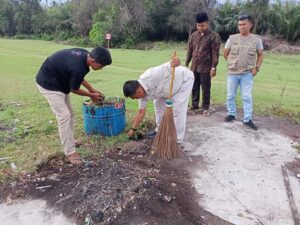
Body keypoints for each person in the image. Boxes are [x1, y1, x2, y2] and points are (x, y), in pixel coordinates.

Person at [36, 47, 112, 164]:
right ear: (93, 61)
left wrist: (91, 89)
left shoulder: (85, 56)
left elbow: (77, 77)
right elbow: (74, 89)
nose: (101, 68)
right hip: (49, 84)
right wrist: (92, 95)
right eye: (102, 66)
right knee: (64, 116)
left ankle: (69, 141)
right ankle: (70, 152)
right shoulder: (78, 67)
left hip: (60, 82)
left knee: (70, 114)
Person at [123, 57, 194, 144]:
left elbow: (170, 65)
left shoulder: (152, 75)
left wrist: (177, 62)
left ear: (138, 91)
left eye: (135, 97)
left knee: (178, 110)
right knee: (157, 104)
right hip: (165, 89)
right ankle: (160, 130)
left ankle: (177, 140)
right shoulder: (141, 95)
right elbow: (141, 112)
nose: (136, 99)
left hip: (183, 81)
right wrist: (133, 129)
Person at [224, 14, 264, 130]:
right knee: (230, 95)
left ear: (250, 25)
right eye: (240, 25)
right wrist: (232, 63)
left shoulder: (256, 39)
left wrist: (256, 68)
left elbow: (260, 55)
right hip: (233, 73)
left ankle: (247, 119)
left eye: (244, 24)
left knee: (247, 97)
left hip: (247, 73)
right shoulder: (232, 38)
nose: (241, 27)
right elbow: (225, 53)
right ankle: (231, 114)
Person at [185, 12, 221, 116]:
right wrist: (187, 63)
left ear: (207, 23)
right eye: (198, 25)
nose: (200, 28)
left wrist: (214, 67)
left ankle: (205, 107)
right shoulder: (194, 35)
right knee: (194, 87)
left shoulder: (214, 36)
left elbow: (215, 53)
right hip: (194, 67)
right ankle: (194, 106)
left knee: (205, 88)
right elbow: (190, 50)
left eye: (202, 25)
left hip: (206, 68)